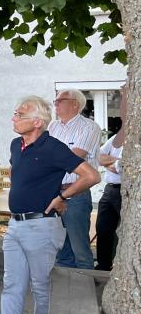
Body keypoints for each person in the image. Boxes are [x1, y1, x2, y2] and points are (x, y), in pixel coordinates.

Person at [0, 96, 99, 314]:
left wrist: (63, 197)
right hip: (16, 226)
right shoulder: (16, 146)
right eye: (15, 113)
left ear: (38, 122)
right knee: (12, 286)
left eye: (20, 114)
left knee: (42, 287)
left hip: (42, 226)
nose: (13, 118)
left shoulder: (53, 147)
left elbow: (91, 175)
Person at [48, 89, 101, 269]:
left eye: (60, 100)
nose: (55, 103)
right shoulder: (53, 127)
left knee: (80, 249)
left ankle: (86, 293)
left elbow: (74, 157)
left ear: (75, 104)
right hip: (55, 192)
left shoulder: (89, 127)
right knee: (61, 249)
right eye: (55, 100)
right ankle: (66, 292)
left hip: (76, 192)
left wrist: (46, 161)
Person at [95, 125, 123, 272]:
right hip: (110, 189)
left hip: (125, 191)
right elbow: (98, 156)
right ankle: (103, 266)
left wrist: (112, 163)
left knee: (124, 231)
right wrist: (117, 161)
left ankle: (121, 268)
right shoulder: (117, 138)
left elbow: (125, 166)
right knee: (102, 227)